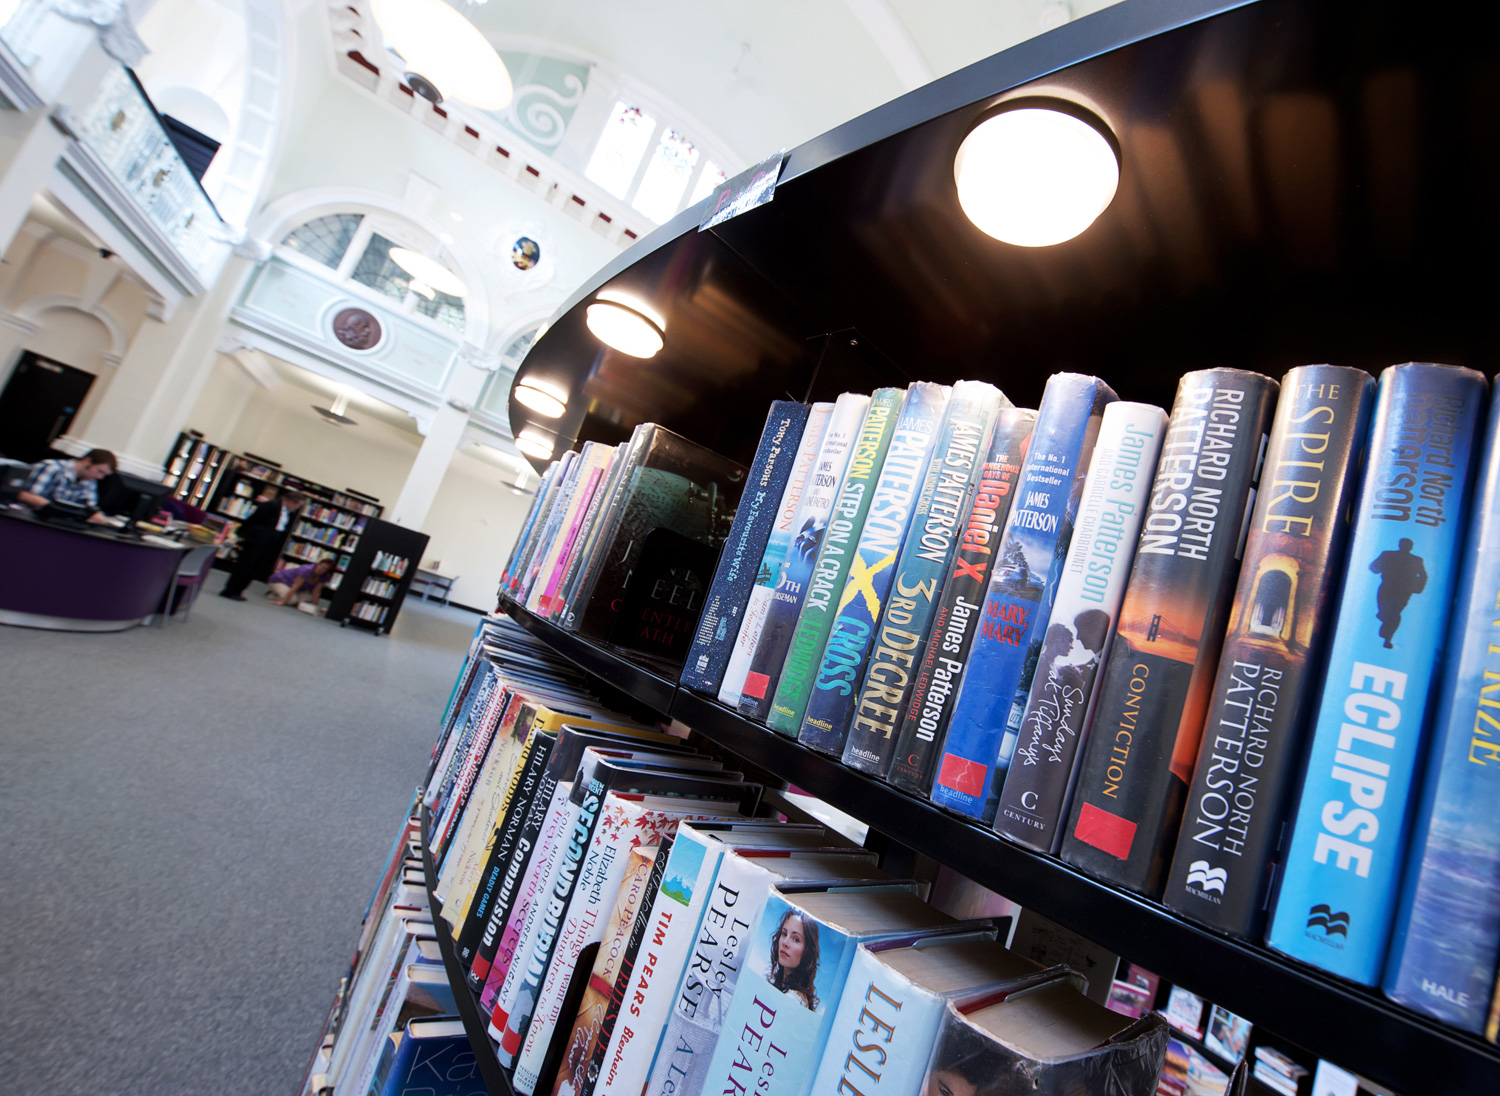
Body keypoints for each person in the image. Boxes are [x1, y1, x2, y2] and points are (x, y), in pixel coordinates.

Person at [220, 488, 306, 600]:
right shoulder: (272, 505)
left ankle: (239, 590)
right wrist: (241, 533)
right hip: (257, 541)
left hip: (268, 542)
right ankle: (230, 590)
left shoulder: (286, 511)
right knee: (244, 566)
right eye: (297, 505)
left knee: (254, 568)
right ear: (291, 502)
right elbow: (253, 519)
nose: (297, 508)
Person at [15, 449, 117, 524]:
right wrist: (58, 510)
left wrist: (95, 515)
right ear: (87, 460)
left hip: (56, 522)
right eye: (99, 471)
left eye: (104, 475)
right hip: (26, 518)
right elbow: (25, 495)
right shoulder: (52, 467)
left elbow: (90, 507)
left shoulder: (90, 480)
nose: (100, 477)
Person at [1369, 537, 1427, 648]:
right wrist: (1385, 569)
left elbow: (1423, 576)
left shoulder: (1416, 560)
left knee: (1394, 614)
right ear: (1400, 545)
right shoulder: (1388, 554)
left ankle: (1387, 639)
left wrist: (1418, 588)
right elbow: (1373, 567)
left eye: (1408, 545)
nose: (1406, 547)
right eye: (1404, 544)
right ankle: (1384, 622)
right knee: (1387, 613)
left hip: (1403, 591)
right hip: (1387, 588)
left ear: (1411, 547)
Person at [768, 908, 819, 1010]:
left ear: (807, 951)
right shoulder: (780, 983)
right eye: (784, 934)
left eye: (796, 939)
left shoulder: (794, 999)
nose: (785, 943)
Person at [267, 558, 335, 607]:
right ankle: (272, 595)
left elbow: (316, 592)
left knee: (309, 598)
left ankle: (287, 596)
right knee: (292, 601)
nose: (320, 568)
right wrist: (282, 602)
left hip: (298, 588)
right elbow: (295, 586)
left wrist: (314, 608)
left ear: (327, 571)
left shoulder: (325, 577)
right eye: (320, 565)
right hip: (280, 581)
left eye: (324, 568)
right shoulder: (306, 570)